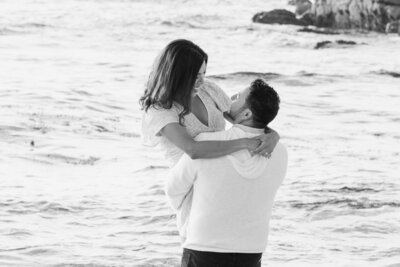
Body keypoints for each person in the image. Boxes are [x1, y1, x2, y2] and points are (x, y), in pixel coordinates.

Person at [140, 39, 280, 238]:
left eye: (203, 74)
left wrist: (273, 135)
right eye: (194, 76)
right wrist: (244, 143)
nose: (200, 81)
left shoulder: (208, 91)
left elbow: (246, 116)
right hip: (195, 193)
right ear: (176, 74)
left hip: (226, 182)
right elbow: (193, 150)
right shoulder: (161, 110)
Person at [166, 79, 288, 267]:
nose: (231, 98)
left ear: (246, 113)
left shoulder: (205, 143)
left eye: (238, 97)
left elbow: (173, 189)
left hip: (204, 247)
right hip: (251, 251)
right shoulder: (279, 152)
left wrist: (188, 220)